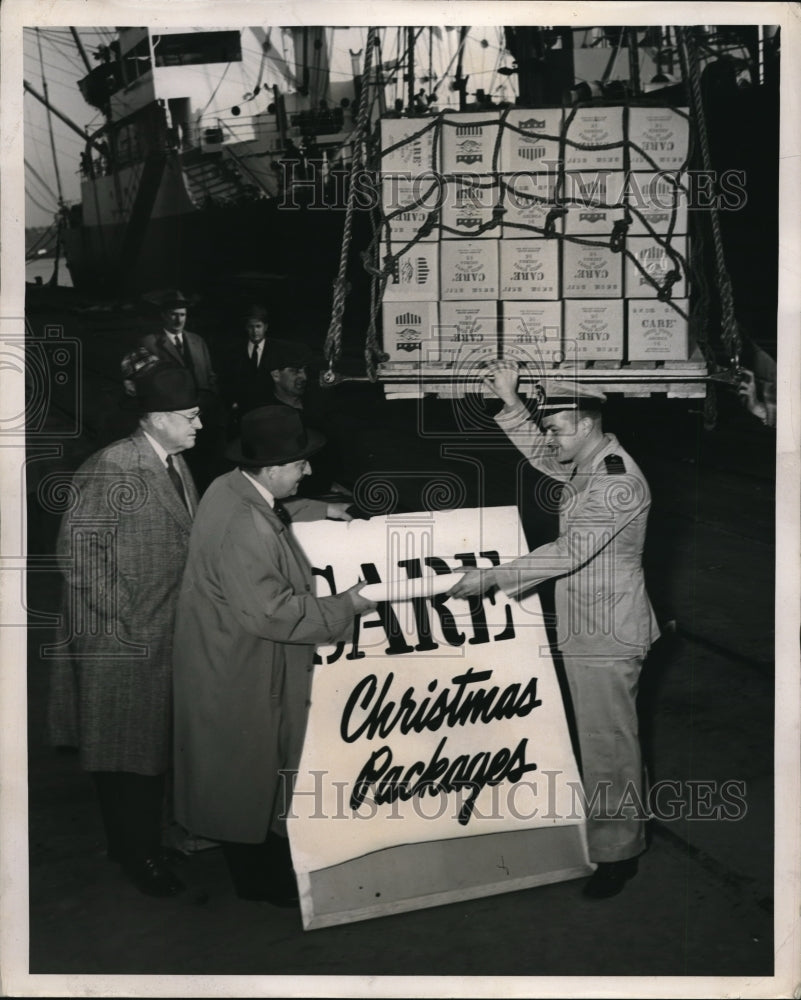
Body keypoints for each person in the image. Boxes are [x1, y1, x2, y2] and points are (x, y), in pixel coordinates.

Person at [447, 362, 660, 899]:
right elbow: (547, 457)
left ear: (586, 424)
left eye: (558, 427)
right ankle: (609, 837)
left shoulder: (616, 480)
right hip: (591, 627)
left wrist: (493, 577)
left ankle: (618, 852)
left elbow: (570, 550)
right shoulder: (587, 459)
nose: (551, 439)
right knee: (598, 739)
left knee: (608, 746)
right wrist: (511, 401)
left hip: (608, 635)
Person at [172, 405, 375, 905]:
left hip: (224, 653)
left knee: (244, 767)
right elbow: (271, 612)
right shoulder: (246, 523)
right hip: (241, 662)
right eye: (300, 464)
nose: (308, 471)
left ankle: (258, 866)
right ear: (271, 468)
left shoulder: (228, 487)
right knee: (246, 770)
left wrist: (321, 509)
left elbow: (271, 514)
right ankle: (258, 884)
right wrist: (345, 605)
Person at [46, 364, 202, 898]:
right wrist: (130, 615)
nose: (198, 424)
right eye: (189, 416)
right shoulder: (114, 466)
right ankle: (140, 857)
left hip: (159, 629)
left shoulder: (176, 464)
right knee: (129, 753)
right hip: (121, 636)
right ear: (156, 419)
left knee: (143, 749)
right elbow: (78, 554)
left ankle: (135, 844)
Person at [139, 289, 226, 491]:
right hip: (176, 418)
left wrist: (212, 404)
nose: (179, 319)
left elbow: (210, 376)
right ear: (163, 316)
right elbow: (147, 384)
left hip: (204, 415)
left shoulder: (197, 341)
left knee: (208, 465)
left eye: (183, 315)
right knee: (184, 469)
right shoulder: (150, 343)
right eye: (174, 314)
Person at [226, 304, 273, 417]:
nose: (254, 331)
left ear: (265, 327)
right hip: (242, 412)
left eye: (258, 326)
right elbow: (227, 381)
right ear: (246, 328)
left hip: (269, 411)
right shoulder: (234, 352)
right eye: (251, 327)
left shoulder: (276, 351)